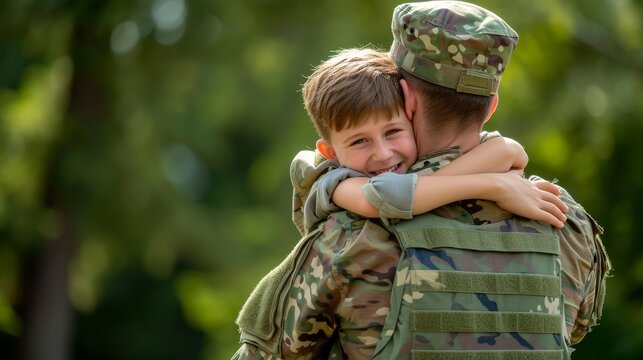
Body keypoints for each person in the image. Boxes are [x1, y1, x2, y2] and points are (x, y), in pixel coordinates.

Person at [233, 1, 610, 359]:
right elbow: (570, 329)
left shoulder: (351, 234)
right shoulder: (565, 220)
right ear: (492, 104)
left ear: (406, 99)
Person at [291, 47, 567, 239]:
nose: (383, 153)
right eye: (360, 141)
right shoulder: (333, 180)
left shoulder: (422, 167)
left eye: (392, 132)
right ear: (331, 153)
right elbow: (380, 198)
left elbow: (509, 150)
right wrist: (494, 186)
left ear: (411, 114)